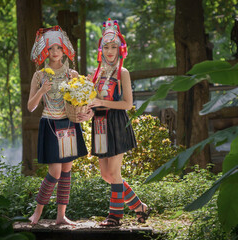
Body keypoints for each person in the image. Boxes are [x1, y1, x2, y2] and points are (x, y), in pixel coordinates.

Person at [79, 18, 151, 226]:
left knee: (114, 172)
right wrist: (88, 113)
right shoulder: (96, 74)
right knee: (105, 175)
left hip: (117, 123)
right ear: (101, 49)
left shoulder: (123, 73)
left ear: (120, 49)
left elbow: (128, 104)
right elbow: (93, 103)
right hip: (99, 124)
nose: (110, 51)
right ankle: (139, 206)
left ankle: (115, 217)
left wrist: (102, 102)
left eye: (114, 46)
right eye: (106, 47)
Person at [28, 26, 88, 225]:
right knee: (54, 171)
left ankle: (61, 215)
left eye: (58, 48)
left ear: (64, 50)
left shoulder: (72, 73)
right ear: (46, 51)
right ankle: (37, 212)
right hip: (50, 123)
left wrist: (77, 86)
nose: (55, 52)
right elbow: (30, 107)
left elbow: (81, 101)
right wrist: (41, 90)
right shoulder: (39, 75)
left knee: (66, 170)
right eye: (51, 48)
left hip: (68, 123)